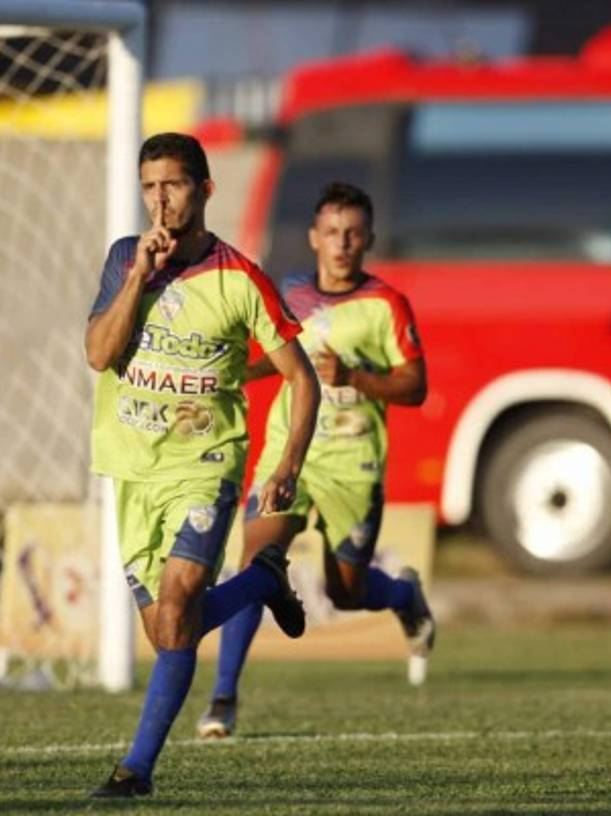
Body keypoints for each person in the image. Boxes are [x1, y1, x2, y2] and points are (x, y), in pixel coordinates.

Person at [84, 132, 320, 798]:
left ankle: (136, 771)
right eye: (150, 187)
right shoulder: (126, 259)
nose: (160, 200)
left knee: (181, 604)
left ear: (205, 190)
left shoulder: (241, 279)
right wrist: (137, 279)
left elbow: (301, 378)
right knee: (167, 632)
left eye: (175, 185)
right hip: (132, 467)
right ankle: (263, 579)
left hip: (205, 465)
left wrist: (289, 465)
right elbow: (99, 354)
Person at [196, 181, 436, 741]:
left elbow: (416, 386)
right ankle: (223, 696)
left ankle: (403, 595)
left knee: (345, 592)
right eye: (332, 232)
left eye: (353, 233)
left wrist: (354, 377)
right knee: (255, 566)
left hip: (353, 467)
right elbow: (273, 359)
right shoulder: (291, 294)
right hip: (290, 455)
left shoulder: (386, 305)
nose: (342, 243)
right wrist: (226, 375)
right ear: (314, 238)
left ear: (369, 239)